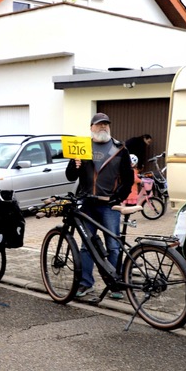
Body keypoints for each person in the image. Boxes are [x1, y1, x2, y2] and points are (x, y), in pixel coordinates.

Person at [65, 112, 134, 298]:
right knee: (87, 245)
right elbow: (70, 176)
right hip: (87, 204)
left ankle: (115, 285)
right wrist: (75, 165)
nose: (102, 127)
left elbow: (128, 179)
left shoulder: (120, 149)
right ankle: (85, 283)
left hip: (108, 205)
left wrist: (117, 198)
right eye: (98, 124)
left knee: (113, 245)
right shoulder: (82, 147)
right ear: (91, 127)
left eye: (105, 124)